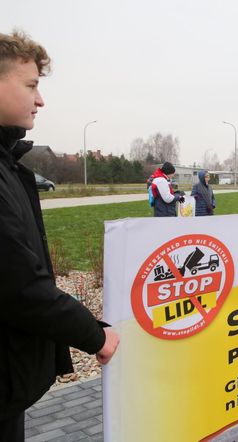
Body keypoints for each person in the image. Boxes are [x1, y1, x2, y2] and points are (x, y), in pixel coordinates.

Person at [0, 30, 119, 440]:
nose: (40, 99)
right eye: (31, 85)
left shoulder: (8, 163)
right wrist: (94, 334)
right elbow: (19, 285)